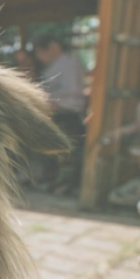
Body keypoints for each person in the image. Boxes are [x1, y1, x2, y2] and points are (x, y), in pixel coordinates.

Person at [33, 34, 87, 193]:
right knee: (52, 151)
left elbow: (73, 91)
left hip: (68, 113)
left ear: (53, 48)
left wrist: (52, 101)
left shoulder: (70, 64)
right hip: (55, 112)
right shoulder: (54, 65)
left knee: (65, 153)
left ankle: (64, 185)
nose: (39, 57)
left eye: (40, 52)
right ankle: (53, 182)